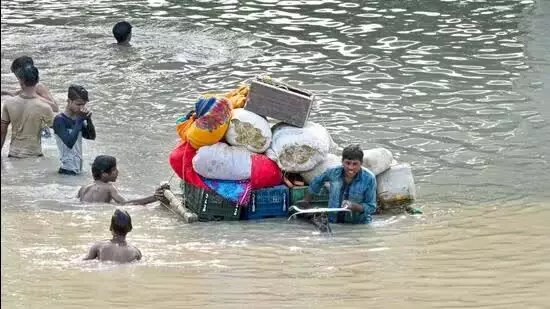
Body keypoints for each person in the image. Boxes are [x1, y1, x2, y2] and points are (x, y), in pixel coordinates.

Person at [296, 145, 377, 224]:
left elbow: (371, 207)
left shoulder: (369, 179)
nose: (351, 167)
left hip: (358, 224)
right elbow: (317, 181)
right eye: (347, 163)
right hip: (334, 222)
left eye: (355, 164)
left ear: (361, 163)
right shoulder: (333, 172)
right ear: (342, 161)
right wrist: (307, 200)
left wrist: (355, 207)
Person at [1, 65, 55, 158]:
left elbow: (2, 132)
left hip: (13, 154)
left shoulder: (9, 103)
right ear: (37, 81)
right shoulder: (45, 107)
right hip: (34, 155)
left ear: (21, 81)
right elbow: (53, 135)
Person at [78, 155, 166, 204]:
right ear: (104, 174)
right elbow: (125, 204)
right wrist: (153, 198)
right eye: (114, 170)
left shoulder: (83, 188)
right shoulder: (109, 187)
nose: (117, 172)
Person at [53, 85, 96, 175]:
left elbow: (91, 137)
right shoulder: (60, 120)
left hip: (77, 168)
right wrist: (80, 120)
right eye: (78, 104)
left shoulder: (77, 119)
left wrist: (88, 120)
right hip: (66, 169)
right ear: (69, 101)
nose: (81, 107)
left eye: (83, 104)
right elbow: (69, 143)